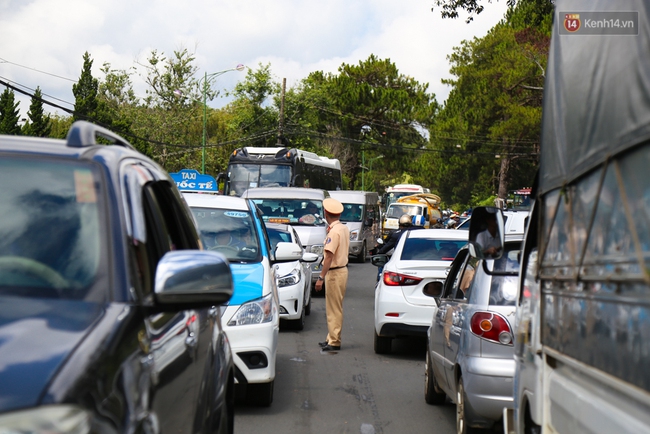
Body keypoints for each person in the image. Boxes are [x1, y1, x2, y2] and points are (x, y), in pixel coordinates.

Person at [315, 198, 350, 352]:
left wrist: (321, 277)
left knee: (333, 307)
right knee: (334, 306)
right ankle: (331, 337)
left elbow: (329, 256)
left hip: (335, 272)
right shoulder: (342, 228)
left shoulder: (334, 231)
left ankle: (334, 340)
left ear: (326, 213)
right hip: (341, 270)